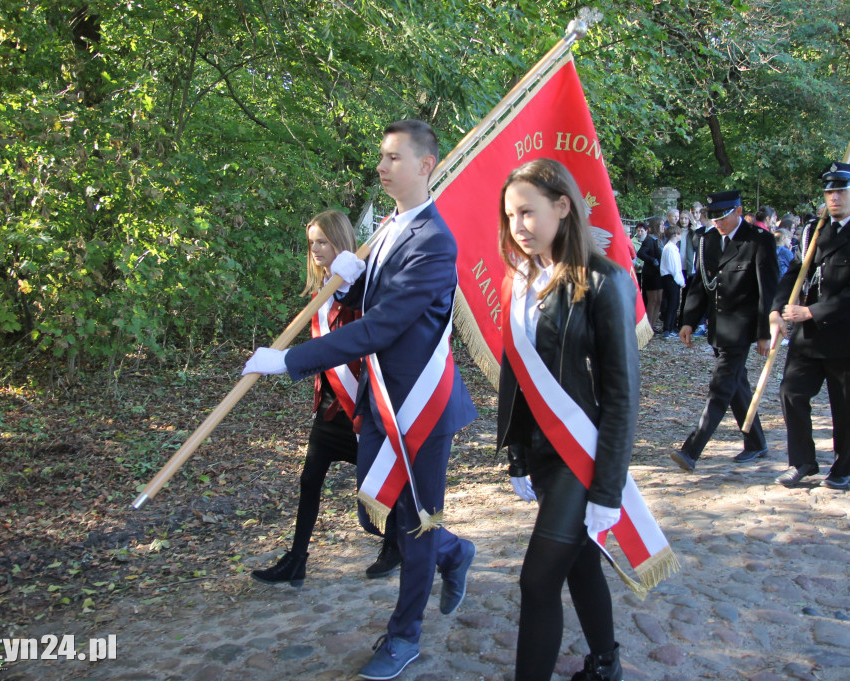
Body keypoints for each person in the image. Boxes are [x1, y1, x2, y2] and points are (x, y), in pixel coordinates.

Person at [243, 119, 478, 680]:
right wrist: (352, 281)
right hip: (380, 403)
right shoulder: (392, 227)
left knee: (414, 521)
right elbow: (374, 301)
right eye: (381, 156)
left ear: (426, 165)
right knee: (382, 513)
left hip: (419, 407)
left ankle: (404, 637)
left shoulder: (436, 240)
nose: (381, 166)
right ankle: (451, 552)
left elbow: (384, 327)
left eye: (394, 157)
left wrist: (292, 360)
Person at [497, 158, 638, 681]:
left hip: (582, 462)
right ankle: (606, 663)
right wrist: (515, 453)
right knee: (579, 563)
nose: (519, 227)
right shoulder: (522, 279)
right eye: (511, 216)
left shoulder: (605, 281)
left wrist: (607, 491)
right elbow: (516, 373)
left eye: (528, 213)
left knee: (537, 584)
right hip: (540, 454)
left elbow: (622, 396)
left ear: (562, 206)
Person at [250, 210, 401, 587]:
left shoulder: (360, 286)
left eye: (323, 241)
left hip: (361, 411)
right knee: (309, 480)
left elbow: (358, 326)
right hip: (329, 410)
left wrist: (352, 283)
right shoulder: (322, 293)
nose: (316, 249)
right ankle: (297, 559)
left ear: (340, 241)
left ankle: (397, 543)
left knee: (375, 485)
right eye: (311, 243)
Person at [771, 162, 850, 489]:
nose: (834, 197)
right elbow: (795, 273)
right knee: (791, 393)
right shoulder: (813, 230)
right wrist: (777, 310)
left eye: (841, 190)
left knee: (847, 408)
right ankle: (802, 462)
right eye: (829, 191)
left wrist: (810, 312)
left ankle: (843, 469)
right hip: (808, 338)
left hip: (847, 334)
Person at [670, 190, 778, 472]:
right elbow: (699, 285)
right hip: (718, 328)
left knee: (720, 387)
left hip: (742, 329)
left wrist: (765, 332)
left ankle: (691, 450)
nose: (717, 222)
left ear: (738, 212)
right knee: (737, 385)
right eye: (714, 217)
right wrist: (688, 320)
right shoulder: (706, 241)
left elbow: (768, 289)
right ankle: (756, 442)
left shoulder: (758, 240)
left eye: (723, 217)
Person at [637, 218, 664, 333]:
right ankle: (647, 327)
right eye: (661, 225)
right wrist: (652, 260)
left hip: (659, 273)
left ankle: (652, 325)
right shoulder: (649, 240)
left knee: (658, 299)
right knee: (652, 300)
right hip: (651, 274)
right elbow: (641, 253)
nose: (663, 227)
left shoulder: (660, 239)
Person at [660, 224, 685, 339]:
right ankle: (667, 329)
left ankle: (670, 328)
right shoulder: (670, 248)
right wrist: (681, 281)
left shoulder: (672, 247)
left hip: (671, 278)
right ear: (675, 234)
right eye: (679, 233)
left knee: (674, 304)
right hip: (670, 278)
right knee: (672, 304)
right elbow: (674, 268)